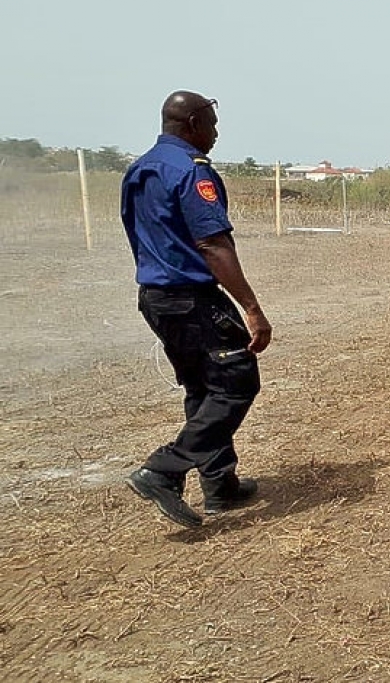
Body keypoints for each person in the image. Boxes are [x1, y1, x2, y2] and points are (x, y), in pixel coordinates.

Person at [120, 90, 272, 527]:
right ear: (192, 125)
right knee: (236, 383)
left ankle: (220, 484)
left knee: (202, 387)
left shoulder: (139, 169)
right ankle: (163, 471)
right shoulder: (189, 171)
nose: (217, 133)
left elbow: (136, 234)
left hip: (157, 297)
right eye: (211, 124)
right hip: (191, 298)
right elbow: (212, 244)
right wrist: (252, 308)